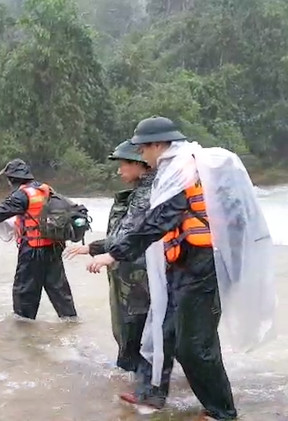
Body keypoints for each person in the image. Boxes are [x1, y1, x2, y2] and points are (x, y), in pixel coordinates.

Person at [85, 116, 263, 420]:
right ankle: (151, 394)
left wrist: (113, 254)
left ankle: (222, 412)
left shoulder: (183, 171)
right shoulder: (173, 170)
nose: (141, 155)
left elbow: (156, 222)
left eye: (142, 150)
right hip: (182, 265)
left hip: (204, 268)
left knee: (194, 346)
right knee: (163, 332)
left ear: (158, 145)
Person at [64, 140, 154, 372]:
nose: (119, 170)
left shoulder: (145, 195)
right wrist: (93, 248)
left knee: (132, 325)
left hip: (136, 273)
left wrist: (102, 251)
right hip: (132, 270)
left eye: (123, 164)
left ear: (140, 164)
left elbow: (130, 234)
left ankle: (136, 377)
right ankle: (139, 374)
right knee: (134, 326)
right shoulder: (143, 192)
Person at [0, 159, 77, 320]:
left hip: (32, 250)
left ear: (12, 179)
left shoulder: (21, 195)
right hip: (54, 246)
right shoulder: (46, 189)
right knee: (59, 290)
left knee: (24, 292)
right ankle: (71, 323)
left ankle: (23, 334)